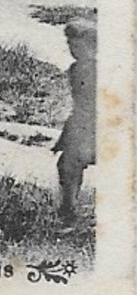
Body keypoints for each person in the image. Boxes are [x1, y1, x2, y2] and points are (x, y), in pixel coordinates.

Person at [54, 18, 97, 222]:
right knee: (67, 164)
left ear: (93, 46)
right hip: (82, 124)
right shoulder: (74, 70)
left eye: (78, 45)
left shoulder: (103, 70)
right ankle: (69, 209)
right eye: (70, 45)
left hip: (100, 125)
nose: (73, 49)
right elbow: (79, 106)